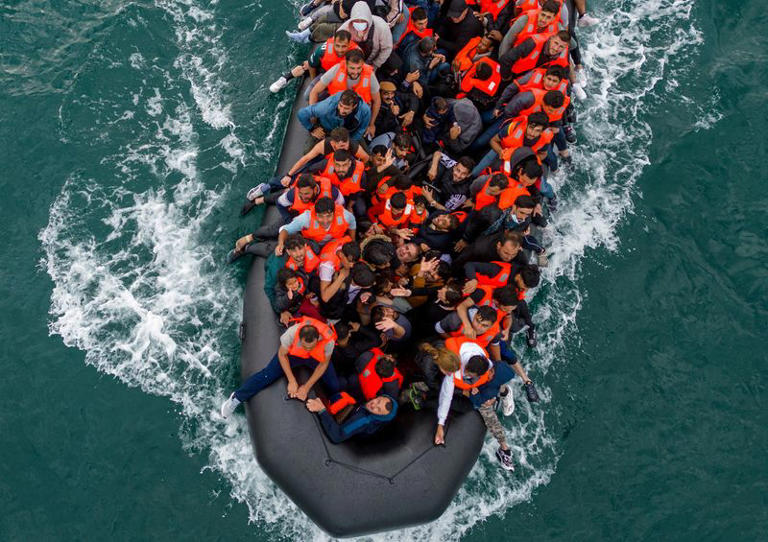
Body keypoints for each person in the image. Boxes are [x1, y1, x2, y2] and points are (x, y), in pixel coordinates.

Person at [220, 317, 339, 417]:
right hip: (293, 356)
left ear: (318, 339)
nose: (307, 349)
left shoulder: (328, 341)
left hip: (315, 358)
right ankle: (236, 398)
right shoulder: (291, 333)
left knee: (334, 384)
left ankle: (334, 403)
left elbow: (323, 365)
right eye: (304, 346)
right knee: (267, 375)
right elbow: (282, 355)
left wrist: (306, 387)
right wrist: (292, 381)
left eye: (310, 346)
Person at [434, 337, 517, 470]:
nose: (490, 373)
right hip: (477, 389)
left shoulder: (486, 367)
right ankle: (502, 392)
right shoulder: (458, 368)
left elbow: (484, 392)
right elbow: (446, 396)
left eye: (491, 373)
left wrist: (479, 395)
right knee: (487, 398)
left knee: (488, 411)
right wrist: (441, 423)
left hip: (480, 391)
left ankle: (504, 448)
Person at [269, 29, 358, 93]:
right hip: (324, 69)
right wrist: (313, 81)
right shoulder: (323, 50)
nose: (340, 50)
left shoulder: (356, 52)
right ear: (333, 43)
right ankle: (286, 78)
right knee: (306, 65)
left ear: (349, 44)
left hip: (340, 73)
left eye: (344, 46)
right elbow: (312, 65)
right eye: (337, 46)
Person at [305, 394, 397, 443]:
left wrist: (322, 410)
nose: (373, 405)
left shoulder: (363, 420)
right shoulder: (370, 409)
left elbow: (337, 436)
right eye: (378, 401)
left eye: (378, 409)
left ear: (380, 416)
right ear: (380, 396)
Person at [297, 89, 372, 143]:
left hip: (347, 136)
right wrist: (312, 128)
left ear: (355, 106)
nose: (342, 111)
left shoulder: (365, 111)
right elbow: (301, 113)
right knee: (307, 151)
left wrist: (349, 142)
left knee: (366, 154)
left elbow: (361, 129)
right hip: (325, 131)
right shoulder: (326, 107)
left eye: (346, 108)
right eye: (340, 106)